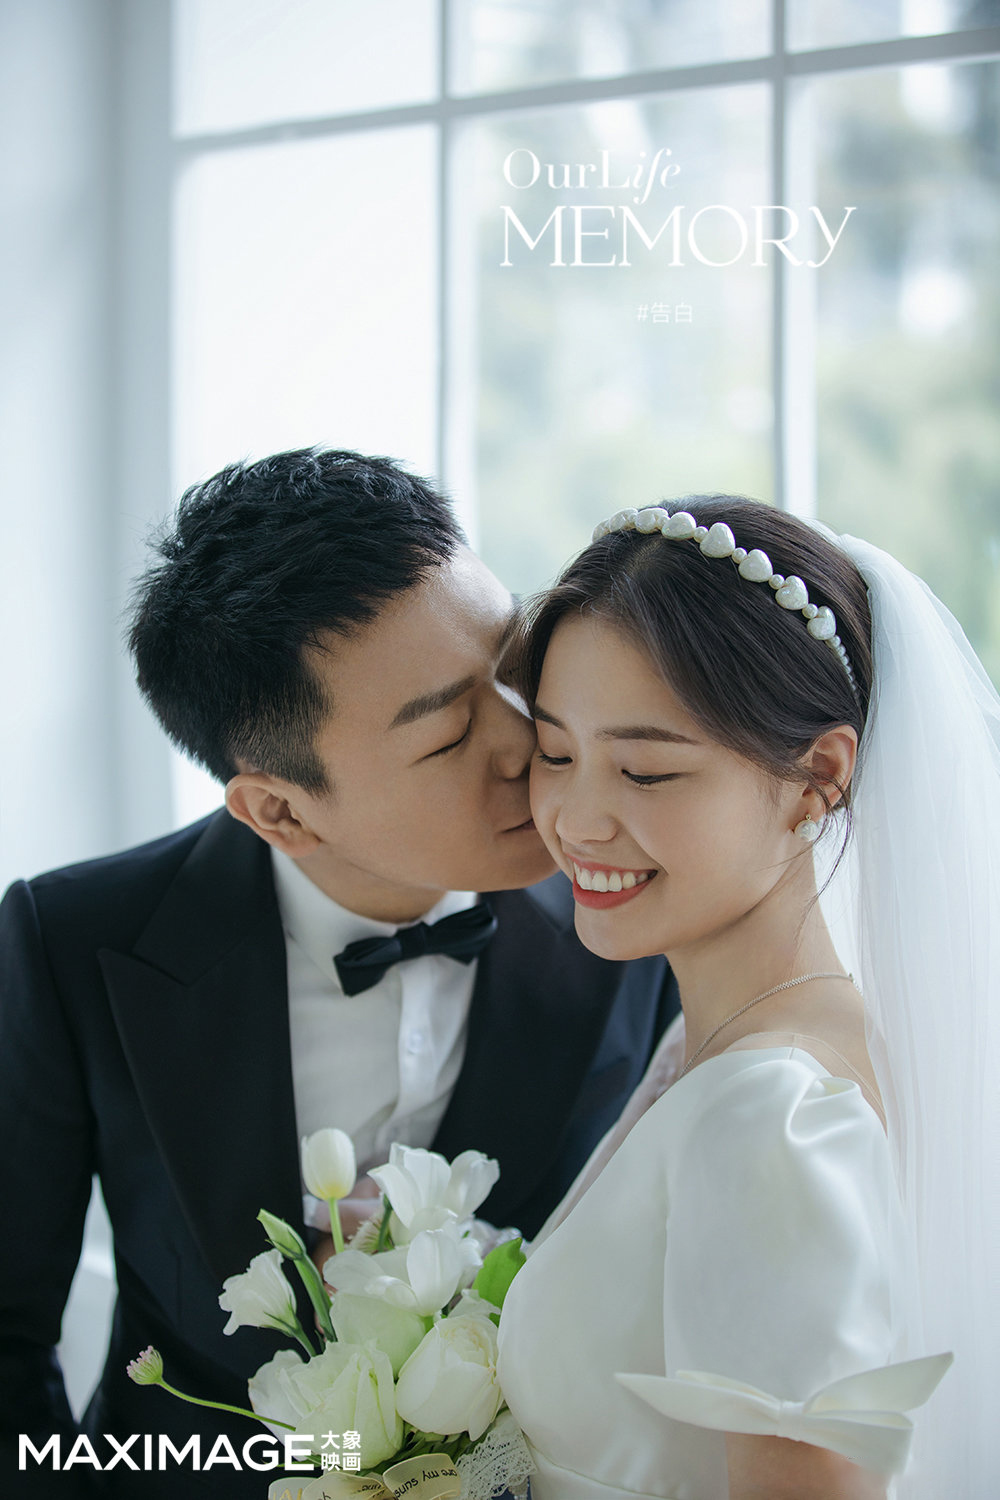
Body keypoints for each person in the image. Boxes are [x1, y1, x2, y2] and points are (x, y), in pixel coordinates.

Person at [0, 449, 678, 1499]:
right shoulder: (74, 941)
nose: (527, 740)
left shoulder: (645, 908)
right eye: (448, 735)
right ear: (280, 809)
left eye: (515, 664)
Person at [496, 495, 999, 1499]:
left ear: (817, 777)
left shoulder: (773, 1113)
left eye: (646, 771)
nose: (576, 820)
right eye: (555, 754)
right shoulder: (729, 1045)